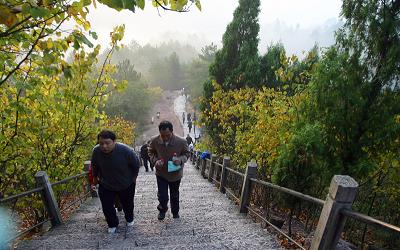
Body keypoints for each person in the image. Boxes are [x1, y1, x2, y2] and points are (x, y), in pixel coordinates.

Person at [91, 130, 140, 233]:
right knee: (107, 205)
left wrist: (134, 177)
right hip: (106, 183)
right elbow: (94, 165)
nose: (104, 146)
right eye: (101, 143)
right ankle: (112, 224)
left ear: (114, 142)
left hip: (126, 183)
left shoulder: (126, 150)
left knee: (127, 204)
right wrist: (95, 178)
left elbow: (136, 164)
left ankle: (129, 218)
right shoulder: (96, 151)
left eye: (107, 143)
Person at [148, 121, 190, 220]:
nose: (165, 138)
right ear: (160, 133)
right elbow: (150, 152)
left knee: (174, 194)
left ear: (171, 131)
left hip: (175, 173)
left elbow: (187, 154)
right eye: (163, 136)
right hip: (161, 173)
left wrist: (180, 160)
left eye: (167, 135)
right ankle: (162, 209)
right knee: (162, 195)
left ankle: (175, 212)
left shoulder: (181, 141)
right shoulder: (154, 141)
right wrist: (155, 161)